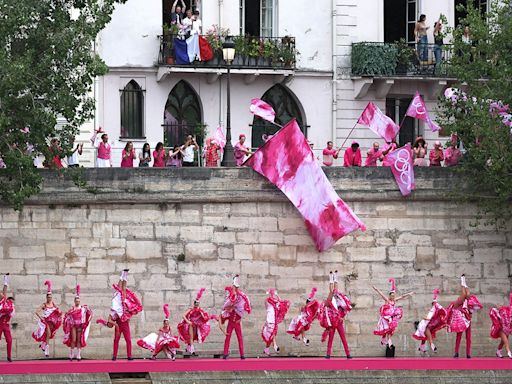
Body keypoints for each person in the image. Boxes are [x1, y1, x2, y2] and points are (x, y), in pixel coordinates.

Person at [96, 269, 143, 360]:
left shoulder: (120, 299)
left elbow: (123, 287)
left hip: (125, 323)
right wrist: (115, 324)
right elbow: (109, 320)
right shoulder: (114, 309)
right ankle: (114, 356)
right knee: (116, 340)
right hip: (119, 325)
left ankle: (129, 356)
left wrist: (124, 276)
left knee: (128, 340)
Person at [446, 274, 482, 359]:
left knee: (468, 337)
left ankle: (468, 353)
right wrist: (463, 281)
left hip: (466, 319)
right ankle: (456, 352)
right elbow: (464, 293)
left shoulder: (469, 301)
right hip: (459, 317)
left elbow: (467, 294)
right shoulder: (460, 301)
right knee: (459, 336)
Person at [318, 271, 352, 359]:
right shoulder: (330, 302)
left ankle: (348, 354)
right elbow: (331, 291)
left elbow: (335, 290)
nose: (334, 294)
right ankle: (328, 354)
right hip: (333, 323)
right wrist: (331, 280)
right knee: (330, 338)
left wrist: (335, 278)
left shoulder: (340, 303)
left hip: (339, 322)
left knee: (343, 338)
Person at [373, 278, 414, 350]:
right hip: (386, 317)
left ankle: (386, 341)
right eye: (392, 296)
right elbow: (381, 294)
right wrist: (376, 289)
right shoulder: (387, 300)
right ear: (389, 296)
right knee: (386, 329)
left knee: (389, 330)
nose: (393, 297)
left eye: (393, 296)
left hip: (391, 318)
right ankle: (388, 342)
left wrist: (409, 294)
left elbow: (402, 297)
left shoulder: (394, 300)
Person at [178, 288, 218, 355]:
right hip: (190, 325)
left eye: (198, 303)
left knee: (193, 337)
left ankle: (188, 347)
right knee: (191, 336)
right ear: (194, 304)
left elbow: (205, 317)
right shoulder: (191, 309)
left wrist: (213, 317)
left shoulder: (201, 310)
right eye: (196, 303)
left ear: (199, 304)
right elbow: (183, 315)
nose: (197, 304)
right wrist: (188, 322)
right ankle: (192, 350)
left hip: (197, 325)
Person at [220, 275, 251, 360]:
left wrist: (241, 318)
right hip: (231, 320)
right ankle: (225, 353)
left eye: (237, 287)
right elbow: (225, 306)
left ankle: (242, 354)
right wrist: (230, 307)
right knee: (228, 337)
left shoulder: (241, 296)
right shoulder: (230, 296)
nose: (236, 289)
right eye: (235, 287)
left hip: (237, 321)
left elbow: (243, 308)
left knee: (240, 338)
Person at [33, 280, 63, 358]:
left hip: (52, 323)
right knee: (48, 334)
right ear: (46, 297)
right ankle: (46, 351)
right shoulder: (44, 304)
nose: (49, 298)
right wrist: (41, 318)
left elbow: (58, 311)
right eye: (48, 297)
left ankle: (43, 345)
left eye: (50, 297)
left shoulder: (53, 304)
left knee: (48, 336)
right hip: (46, 322)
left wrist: (59, 312)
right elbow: (36, 311)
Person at [63, 285, 93, 361]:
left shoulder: (83, 309)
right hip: (73, 326)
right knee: (73, 339)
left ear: (80, 301)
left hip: (80, 326)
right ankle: (71, 354)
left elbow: (90, 314)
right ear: (74, 301)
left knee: (79, 340)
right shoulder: (72, 309)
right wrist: (67, 317)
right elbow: (68, 317)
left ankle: (78, 354)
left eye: (78, 301)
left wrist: (86, 323)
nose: (77, 302)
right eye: (76, 301)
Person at [413, 288, 447, 354]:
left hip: (427, 326)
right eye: (434, 304)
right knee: (427, 335)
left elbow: (435, 303)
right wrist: (435, 294)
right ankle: (432, 346)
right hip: (424, 326)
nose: (435, 305)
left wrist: (435, 294)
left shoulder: (435, 311)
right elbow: (426, 317)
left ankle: (422, 347)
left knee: (425, 336)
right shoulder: (432, 311)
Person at [261, 289, 290, 356]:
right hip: (270, 320)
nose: (273, 296)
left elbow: (281, 303)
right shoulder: (268, 301)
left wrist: (277, 295)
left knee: (272, 335)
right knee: (271, 335)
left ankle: (267, 349)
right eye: (273, 294)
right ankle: (275, 346)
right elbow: (270, 301)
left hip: (273, 320)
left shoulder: (274, 302)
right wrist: (272, 295)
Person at [490, 293, 512, 359]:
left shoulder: (506, 310)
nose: (499, 306)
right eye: (497, 305)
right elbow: (493, 316)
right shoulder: (495, 312)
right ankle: (509, 352)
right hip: (499, 328)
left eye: (500, 305)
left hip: (506, 328)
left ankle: (498, 351)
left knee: (503, 342)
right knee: (505, 340)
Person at [0, 274, 15, 362]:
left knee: (9, 340)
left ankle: (9, 356)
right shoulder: (2, 302)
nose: (2, 294)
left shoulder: (7, 304)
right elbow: (4, 291)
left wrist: (6, 280)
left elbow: (4, 290)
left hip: (6, 325)